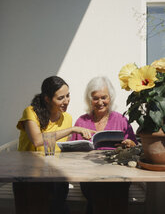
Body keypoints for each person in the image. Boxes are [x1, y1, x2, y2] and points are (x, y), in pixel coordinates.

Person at [13, 76, 93, 214]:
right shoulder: (30, 112)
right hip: (29, 175)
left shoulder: (66, 118)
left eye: (68, 96)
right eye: (60, 98)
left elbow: (58, 150)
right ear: (47, 99)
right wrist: (72, 129)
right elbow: (38, 141)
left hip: (54, 176)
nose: (66, 101)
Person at [70, 76, 138, 214]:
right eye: (95, 98)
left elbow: (135, 147)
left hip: (118, 174)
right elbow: (70, 153)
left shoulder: (121, 120)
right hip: (90, 176)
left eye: (104, 97)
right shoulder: (81, 122)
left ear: (110, 98)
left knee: (117, 189)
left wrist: (130, 144)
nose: (100, 102)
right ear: (90, 100)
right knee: (100, 189)